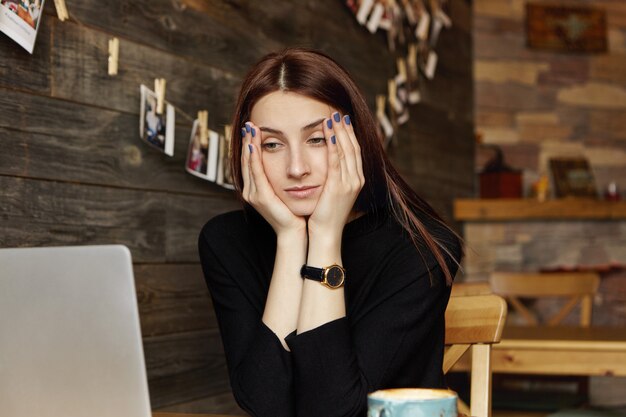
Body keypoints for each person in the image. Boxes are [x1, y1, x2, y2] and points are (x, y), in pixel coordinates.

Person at [198, 48, 463, 417]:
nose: (296, 167)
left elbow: (334, 410)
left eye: (317, 139)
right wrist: (291, 240)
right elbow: (265, 403)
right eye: (272, 144)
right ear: (248, 152)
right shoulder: (225, 241)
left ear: (355, 141)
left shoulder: (420, 250)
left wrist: (323, 237)